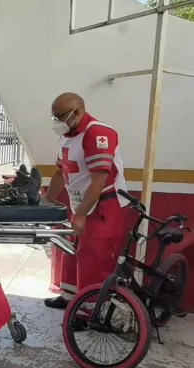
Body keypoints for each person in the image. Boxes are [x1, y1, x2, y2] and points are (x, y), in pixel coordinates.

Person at [43, 92, 129, 315]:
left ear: (76, 112)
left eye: (60, 116)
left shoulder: (98, 133)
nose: (56, 122)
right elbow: (61, 172)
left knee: (93, 259)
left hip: (103, 206)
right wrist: (47, 201)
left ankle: (89, 312)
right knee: (71, 253)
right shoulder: (67, 136)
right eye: (54, 117)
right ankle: (69, 297)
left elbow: (98, 182)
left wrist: (80, 215)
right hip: (80, 204)